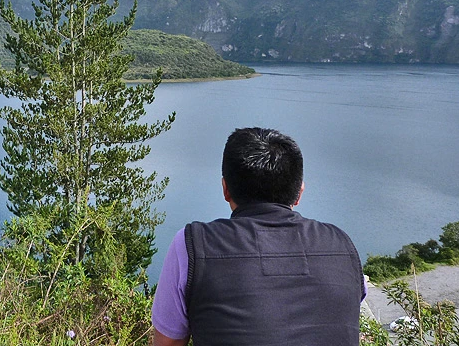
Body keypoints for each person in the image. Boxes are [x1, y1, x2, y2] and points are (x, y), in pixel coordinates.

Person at [152, 127, 365, 346]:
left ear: (225, 189)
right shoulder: (343, 247)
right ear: (299, 193)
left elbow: (167, 344)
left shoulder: (192, 246)